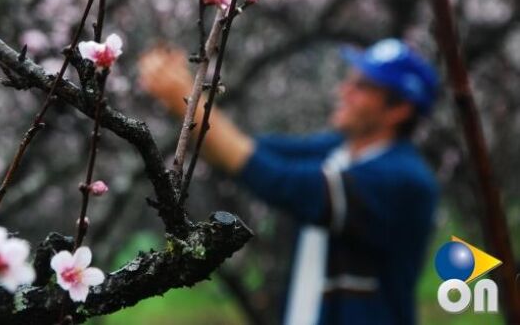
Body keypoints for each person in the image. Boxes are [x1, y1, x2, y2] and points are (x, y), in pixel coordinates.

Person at [137, 38, 440, 325]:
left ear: (399, 110)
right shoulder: (337, 151)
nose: (344, 91)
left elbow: (276, 180)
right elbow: (241, 151)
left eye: (362, 86)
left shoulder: (403, 180)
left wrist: (186, 100)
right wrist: (183, 98)